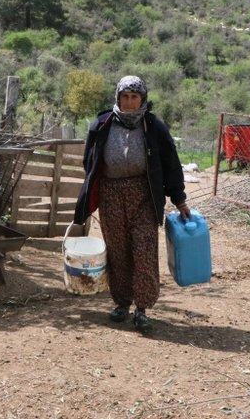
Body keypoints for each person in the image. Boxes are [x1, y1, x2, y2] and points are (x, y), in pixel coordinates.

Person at [74, 75, 190, 332]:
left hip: (143, 195)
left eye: (134, 97)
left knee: (144, 250)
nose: (129, 102)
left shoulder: (154, 127)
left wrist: (179, 199)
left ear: (142, 99)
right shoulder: (102, 124)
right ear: (118, 98)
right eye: (124, 97)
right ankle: (122, 303)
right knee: (118, 251)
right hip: (111, 195)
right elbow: (89, 162)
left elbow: (171, 164)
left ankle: (142, 308)